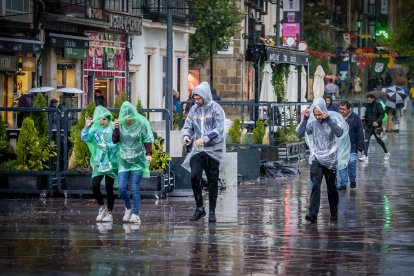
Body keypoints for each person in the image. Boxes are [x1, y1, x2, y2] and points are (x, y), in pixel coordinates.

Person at [296, 98, 349, 223]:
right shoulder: (313, 123)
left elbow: (340, 132)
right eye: (316, 114)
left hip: (331, 160)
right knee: (315, 186)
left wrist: (329, 120)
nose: (318, 117)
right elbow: (299, 133)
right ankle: (312, 214)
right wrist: (305, 119)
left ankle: (334, 213)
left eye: (320, 114)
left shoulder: (332, 120)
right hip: (317, 159)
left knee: (332, 188)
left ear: (324, 111)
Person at [181, 81, 225, 223]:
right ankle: (200, 208)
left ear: (205, 96)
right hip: (198, 149)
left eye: (199, 98)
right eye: (195, 98)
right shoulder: (194, 109)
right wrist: (187, 136)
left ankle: (212, 210)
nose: (196, 101)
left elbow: (219, 128)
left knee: (212, 180)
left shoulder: (216, 109)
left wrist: (205, 138)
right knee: (194, 176)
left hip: (213, 149)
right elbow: (188, 125)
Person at [112, 101, 154, 224]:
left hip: (138, 159)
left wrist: (149, 154)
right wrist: (115, 128)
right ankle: (128, 207)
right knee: (121, 187)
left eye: (130, 117)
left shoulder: (141, 123)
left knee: (135, 187)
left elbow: (147, 138)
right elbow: (115, 140)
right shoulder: (119, 124)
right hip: (124, 159)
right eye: (126, 118)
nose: (128, 120)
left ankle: (136, 213)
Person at [81, 106, 119, 223]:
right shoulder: (95, 128)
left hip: (111, 163)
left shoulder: (113, 127)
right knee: (95, 186)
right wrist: (86, 127)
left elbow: (117, 142)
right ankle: (102, 207)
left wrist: (107, 147)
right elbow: (85, 138)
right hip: (99, 162)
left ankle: (109, 213)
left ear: (108, 119)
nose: (102, 122)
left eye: (104, 119)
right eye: (100, 119)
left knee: (109, 188)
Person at [337, 101, 365, 190]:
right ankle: (343, 184)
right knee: (341, 164)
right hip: (341, 146)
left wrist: (360, 146)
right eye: (340, 109)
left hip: (352, 145)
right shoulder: (337, 118)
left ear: (349, 109)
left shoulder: (355, 118)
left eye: (344, 109)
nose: (341, 111)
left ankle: (352, 180)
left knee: (351, 162)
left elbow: (360, 132)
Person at [359, 94, 390, 162]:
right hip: (368, 126)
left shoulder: (378, 104)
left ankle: (386, 153)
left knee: (379, 140)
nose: (368, 101)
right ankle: (365, 156)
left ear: (373, 99)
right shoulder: (367, 105)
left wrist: (377, 122)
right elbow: (367, 114)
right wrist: (364, 117)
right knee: (366, 140)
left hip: (377, 126)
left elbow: (382, 114)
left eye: (369, 100)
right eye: (367, 100)